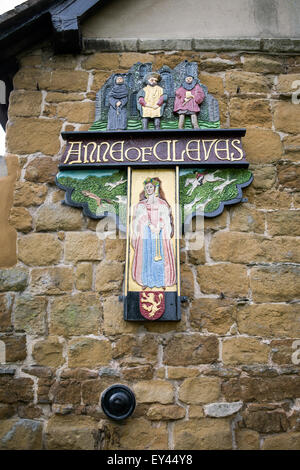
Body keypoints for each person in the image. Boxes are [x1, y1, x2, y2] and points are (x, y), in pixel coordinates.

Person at [131, 177, 176, 289]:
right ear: (145, 189)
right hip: (146, 233)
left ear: (155, 188)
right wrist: (150, 225)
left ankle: (161, 281)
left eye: (151, 187)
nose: (149, 189)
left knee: (160, 257)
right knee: (146, 256)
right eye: (147, 187)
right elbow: (139, 218)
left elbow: (165, 217)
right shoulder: (141, 204)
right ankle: (146, 280)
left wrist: (159, 227)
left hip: (160, 234)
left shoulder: (162, 203)